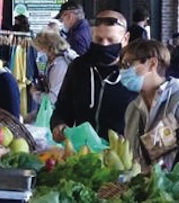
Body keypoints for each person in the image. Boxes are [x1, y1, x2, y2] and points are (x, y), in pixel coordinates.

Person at [50, 10, 134, 139]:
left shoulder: (135, 74)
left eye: (111, 40)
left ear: (125, 39)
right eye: (98, 40)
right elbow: (63, 109)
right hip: (84, 148)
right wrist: (58, 125)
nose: (104, 45)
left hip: (122, 149)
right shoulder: (78, 67)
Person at [119, 39, 179, 169]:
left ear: (152, 64)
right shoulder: (133, 108)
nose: (123, 71)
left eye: (128, 64)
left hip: (174, 179)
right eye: (121, 66)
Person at [32, 28, 72, 106]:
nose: (40, 51)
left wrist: (35, 94)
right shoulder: (56, 61)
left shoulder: (59, 64)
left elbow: (52, 99)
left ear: (47, 47)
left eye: (41, 48)